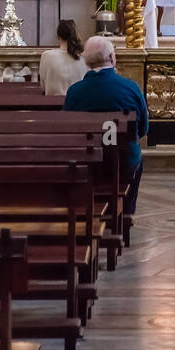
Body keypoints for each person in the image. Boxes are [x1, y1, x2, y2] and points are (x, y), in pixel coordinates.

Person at [64, 36, 149, 216]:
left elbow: (68, 130)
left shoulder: (75, 92)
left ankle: (87, 210)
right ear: (112, 57)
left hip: (88, 163)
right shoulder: (130, 88)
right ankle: (126, 213)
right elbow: (142, 129)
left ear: (86, 61)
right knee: (136, 157)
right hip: (124, 163)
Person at [38, 19, 87, 96]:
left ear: (58, 36)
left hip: (52, 103)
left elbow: (43, 87)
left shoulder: (46, 56)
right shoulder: (84, 57)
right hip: (77, 104)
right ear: (76, 35)